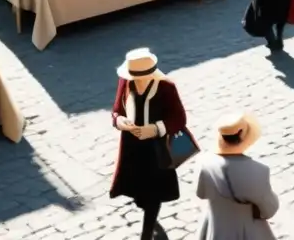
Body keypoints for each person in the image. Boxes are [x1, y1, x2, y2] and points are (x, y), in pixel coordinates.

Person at [110, 48, 188, 240]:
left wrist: (153, 129)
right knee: (139, 190)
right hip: (132, 146)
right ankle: (144, 204)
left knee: (154, 191)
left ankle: (147, 232)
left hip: (157, 148)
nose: (136, 81)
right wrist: (121, 122)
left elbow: (179, 119)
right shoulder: (126, 82)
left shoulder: (166, 88)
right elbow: (116, 111)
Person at [194, 111, 280, 240]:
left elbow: (201, 193)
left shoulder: (203, 163)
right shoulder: (258, 171)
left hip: (215, 229)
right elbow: (269, 210)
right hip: (247, 232)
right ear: (244, 137)